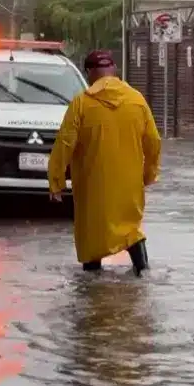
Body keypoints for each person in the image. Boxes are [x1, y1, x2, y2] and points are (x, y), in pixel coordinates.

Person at [47, 50, 162, 276]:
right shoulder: (137, 100)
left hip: (93, 184)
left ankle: (92, 286)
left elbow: (64, 144)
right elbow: (154, 142)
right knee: (130, 229)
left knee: (92, 236)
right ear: (115, 70)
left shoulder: (81, 104)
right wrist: (149, 174)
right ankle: (143, 270)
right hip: (129, 184)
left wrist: (56, 180)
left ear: (89, 73)